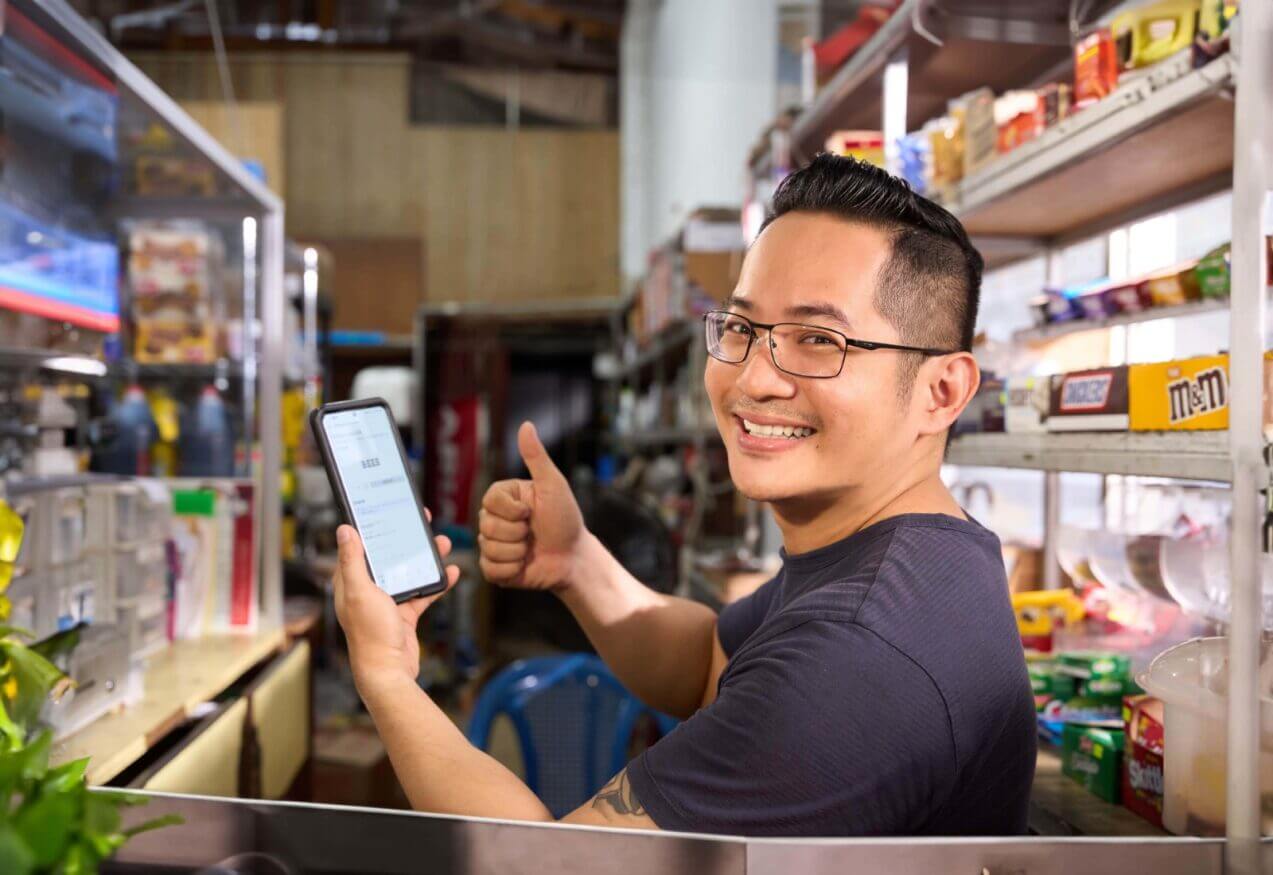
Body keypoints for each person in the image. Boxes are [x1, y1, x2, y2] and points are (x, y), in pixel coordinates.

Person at [332, 154, 1037, 836]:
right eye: (741, 327)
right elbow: (709, 660)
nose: (754, 378)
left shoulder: (857, 652)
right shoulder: (906, 554)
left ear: (942, 391)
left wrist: (386, 674)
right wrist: (577, 562)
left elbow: (543, 870)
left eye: (819, 339)